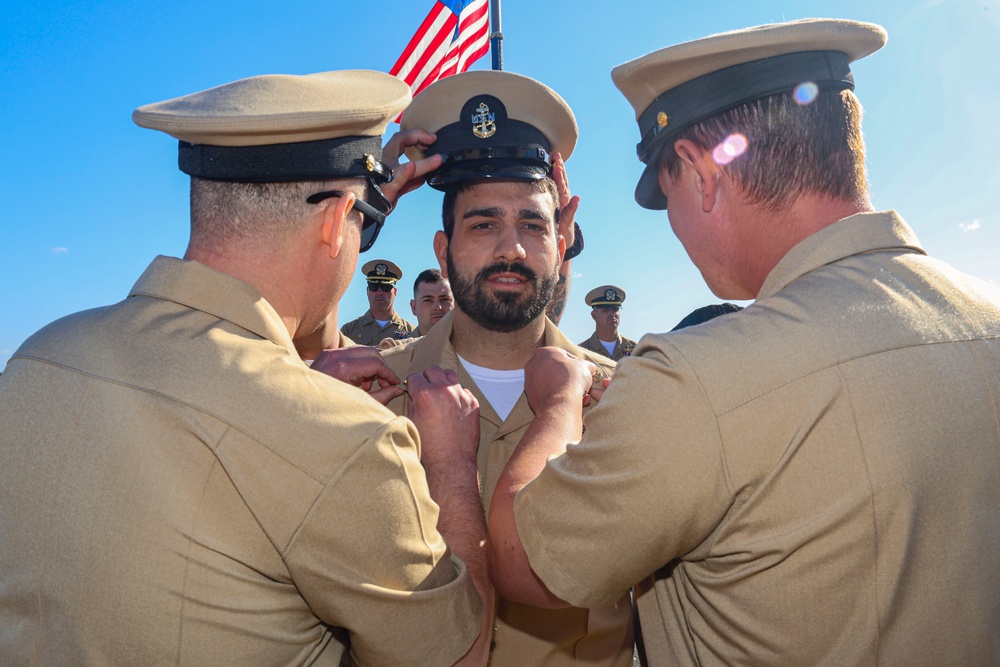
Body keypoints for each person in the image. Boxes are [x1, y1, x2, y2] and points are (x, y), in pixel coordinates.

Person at [486, 18, 1000, 666]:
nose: (673, 224)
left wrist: (560, 403)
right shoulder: (987, 318)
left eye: (666, 192)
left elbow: (520, 561)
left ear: (702, 175)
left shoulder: (696, 381)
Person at [0, 70, 494, 665]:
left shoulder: (40, 357)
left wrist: (361, 202)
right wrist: (451, 468)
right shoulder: (348, 441)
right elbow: (458, 656)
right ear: (338, 222)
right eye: (359, 218)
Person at [377, 71, 635, 665]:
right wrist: (364, 208)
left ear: (562, 237)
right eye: (484, 223)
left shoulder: (625, 399)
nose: (511, 248)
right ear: (443, 251)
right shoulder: (373, 395)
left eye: (533, 224)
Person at [340, 258, 417, 346]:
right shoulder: (349, 331)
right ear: (367, 291)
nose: (379, 292)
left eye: (386, 287)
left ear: (395, 292)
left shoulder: (411, 333)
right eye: (374, 286)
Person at [378, 268, 454, 350]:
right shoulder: (397, 353)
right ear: (414, 307)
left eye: (445, 299)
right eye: (428, 300)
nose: (438, 307)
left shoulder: (468, 349)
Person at [577, 285, 636, 361]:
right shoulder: (581, 352)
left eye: (615, 309)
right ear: (594, 315)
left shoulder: (636, 350)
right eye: (606, 310)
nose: (612, 314)